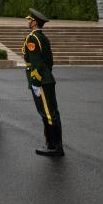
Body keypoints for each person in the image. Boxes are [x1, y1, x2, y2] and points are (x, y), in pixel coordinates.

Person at [23, 9, 63, 156]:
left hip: (40, 80)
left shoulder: (33, 38)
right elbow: (49, 61)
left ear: (34, 22)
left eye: (29, 20)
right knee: (50, 112)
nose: (28, 22)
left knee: (48, 113)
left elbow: (36, 62)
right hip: (46, 78)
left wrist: (36, 81)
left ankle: (54, 146)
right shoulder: (42, 37)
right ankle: (52, 143)